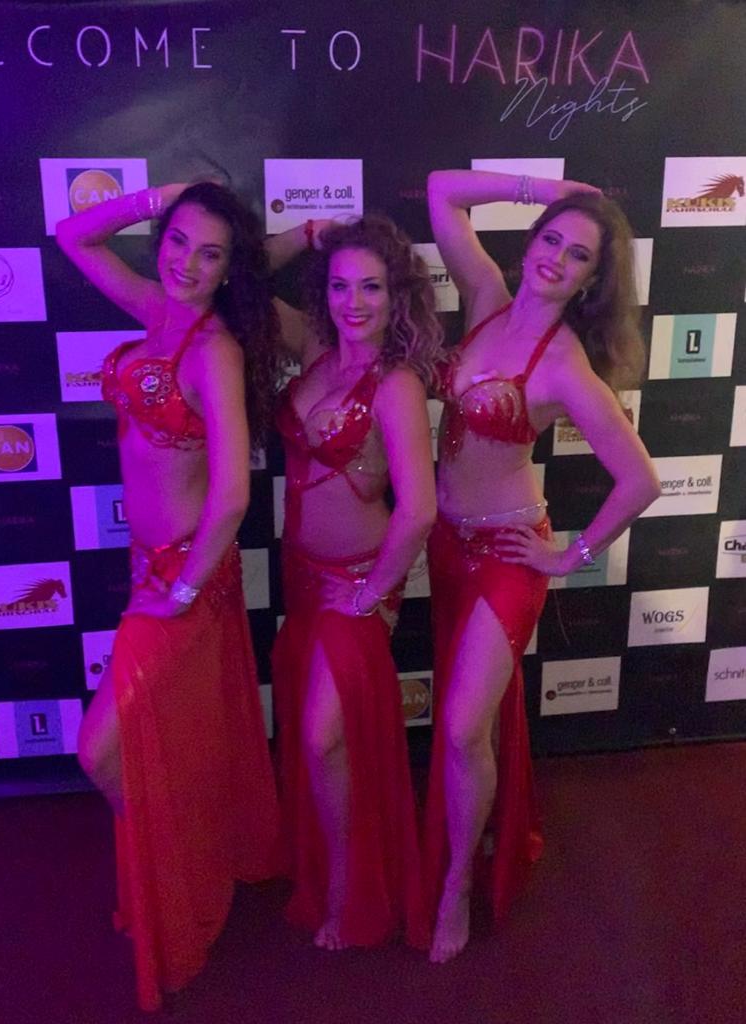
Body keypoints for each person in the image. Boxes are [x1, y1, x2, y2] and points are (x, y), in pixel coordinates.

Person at [423, 170, 661, 963]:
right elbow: (442, 192)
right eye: (551, 240)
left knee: (463, 726)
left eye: (578, 254)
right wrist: (542, 190)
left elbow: (641, 480)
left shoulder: (564, 368)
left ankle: (458, 883)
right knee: (471, 723)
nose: (556, 257)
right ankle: (479, 829)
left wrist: (569, 556)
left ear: (592, 280)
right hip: (446, 545)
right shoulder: (485, 296)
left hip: (507, 556)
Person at [56, 181, 281, 1010]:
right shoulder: (153, 306)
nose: (187, 262)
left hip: (187, 577)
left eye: (209, 253)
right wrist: (161, 197)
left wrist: (184, 588)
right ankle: (179, 852)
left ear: (229, 270)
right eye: (179, 241)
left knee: (100, 750)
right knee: (172, 734)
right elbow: (73, 235)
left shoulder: (216, 351)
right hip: (148, 566)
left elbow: (232, 493)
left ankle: (172, 859)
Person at [268, 216, 442, 951]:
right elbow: (240, 283)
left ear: (397, 295)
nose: (354, 303)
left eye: (371, 287)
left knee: (323, 737)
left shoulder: (395, 385)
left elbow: (420, 508)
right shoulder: (313, 350)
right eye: (340, 286)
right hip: (301, 579)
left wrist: (373, 594)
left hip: (355, 584)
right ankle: (323, 862)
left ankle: (348, 885)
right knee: (314, 741)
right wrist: (305, 234)